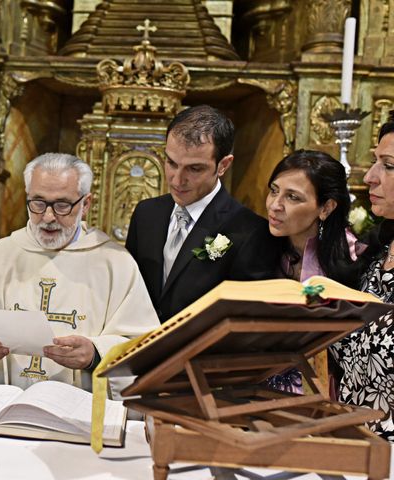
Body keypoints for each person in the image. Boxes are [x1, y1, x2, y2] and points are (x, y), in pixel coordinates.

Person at [0, 153, 159, 393]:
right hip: (2, 408)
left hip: (77, 417)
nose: (48, 217)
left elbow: (144, 346)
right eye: (38, 203)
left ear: (85, 204)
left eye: (62, 205)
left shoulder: (116, 264)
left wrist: (95, 354)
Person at [125, 105, 278, 322]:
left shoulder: (250, 232)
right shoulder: (146, 214)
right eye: (171, 163)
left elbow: (246, 320)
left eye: (194, 169)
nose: (177, 180)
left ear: (223, 165)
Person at [264, 149, 357, 394]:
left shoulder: (352, 256)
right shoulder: (262, 244)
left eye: (292, 197)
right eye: (274, 190)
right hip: (262, 381)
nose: (275, 205)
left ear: (326, 208)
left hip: (326, 388)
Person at [330, 114, 394, 441]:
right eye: (374, 162)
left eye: (389, 165)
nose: (369, 177)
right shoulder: (374, 258)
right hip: (351, 447)